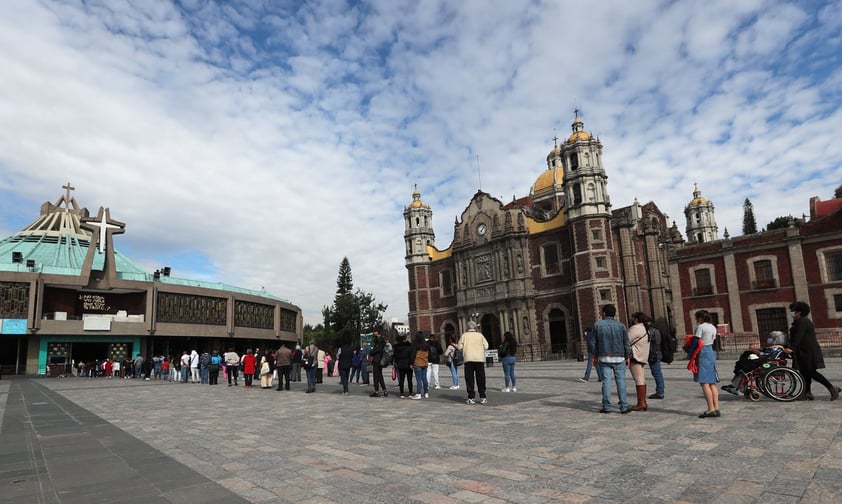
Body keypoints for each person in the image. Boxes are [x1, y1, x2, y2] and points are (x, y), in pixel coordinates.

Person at [789, 301, 839, 401]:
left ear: (799, 312)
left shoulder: (803, 321)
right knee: (804, 372)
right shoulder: (800, 321)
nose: (791, 313)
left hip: (808, 352)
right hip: (803, 351)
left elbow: (798, 337)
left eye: (793, 311)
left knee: (810, 372)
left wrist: (790, 348)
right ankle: (807, 393)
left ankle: (832, 388)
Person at [591, 304, 632, 414]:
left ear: (604, 313)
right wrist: (628, 356)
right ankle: (624, 406)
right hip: (619, 357)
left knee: (606, 382)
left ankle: (606, 406)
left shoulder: (597, 325)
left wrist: (594, 356)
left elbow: (593, 343)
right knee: (621, 382)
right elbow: (626, 343)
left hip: (604, 357)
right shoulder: (621, 326)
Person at [689, 310, 721, 418]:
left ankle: (710, 409)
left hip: (702, 352)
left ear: (700, 318)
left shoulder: (701, 327)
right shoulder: (713, 327)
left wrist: (690, 353)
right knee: (712, 382)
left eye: (697, 318)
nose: (696, 320)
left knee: (704, 382)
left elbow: (696, 341)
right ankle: (716, 408)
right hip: (710, 351)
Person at [459, 320, 489, 405]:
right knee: (481, 378)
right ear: (475, 327)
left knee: (469, 379)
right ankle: (483, 397)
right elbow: (486, 346)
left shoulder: (464, 335)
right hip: (479, 359)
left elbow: (459, 347)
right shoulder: (480, 335)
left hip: (469, 359)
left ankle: (471, 397)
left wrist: (465, 349)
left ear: (468, 327)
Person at [628, 312, 651, 412]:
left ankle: (641, 403)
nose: (632, 320)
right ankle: (643, 402)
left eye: (633, 318)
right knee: (641, 379)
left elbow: (626, 339)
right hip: (643, 356)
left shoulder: (636, 328)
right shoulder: (645, 328)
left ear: (636, 319)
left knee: (638, 380)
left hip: (635, 356)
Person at [645, 318, 666, 400]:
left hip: (654, 354)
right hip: (657, 353)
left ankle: (660, 392)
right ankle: (660, 390)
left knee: (657, 373)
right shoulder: (656, 330)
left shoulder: (652, 331)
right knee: (657, 373)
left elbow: (654, 344)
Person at [393, 333, 415, 398]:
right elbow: (412, 356)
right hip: (408, 364)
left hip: (401, 364)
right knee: (409, 379)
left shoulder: (397, 347)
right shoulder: (410, 346)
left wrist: (396, 362)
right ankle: (410, 392)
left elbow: (396, 356)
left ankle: (401, 393)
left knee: (401, 379)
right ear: (406, 339)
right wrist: (411, 363)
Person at [368, 331, 388, 397]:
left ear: (379, 334)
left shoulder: (379, 342)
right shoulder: (382, 341)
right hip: (380, 360)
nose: (375, 337)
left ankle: (377, 391)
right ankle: (384, 390)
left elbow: (376, 350)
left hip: (377, 360)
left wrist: (371, 352)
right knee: (380, 376)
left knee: (376, 376)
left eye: (376, 335)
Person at [410, 333, 430, 399]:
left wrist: (411, 363)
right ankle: (426, 393)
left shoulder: (415, 345)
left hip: (418, 363)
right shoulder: (426, 344)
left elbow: (413, 355)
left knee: (418, 379)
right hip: (425, 363)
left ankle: (418, 394)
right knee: (424, 378)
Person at [337, 331, 354, 396]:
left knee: (343, 378)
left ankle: (346, 390)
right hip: (349, 364)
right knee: (346, 377)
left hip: (342, 364)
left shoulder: (341, 348)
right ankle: (345, 390)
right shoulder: (351, 348)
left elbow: (338, 356)